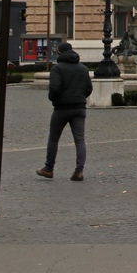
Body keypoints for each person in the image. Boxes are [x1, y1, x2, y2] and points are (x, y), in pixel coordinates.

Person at [37, 42, 93, 182]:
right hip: (79, 108)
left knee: (54, 138)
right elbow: (89, 88)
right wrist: (79, 98)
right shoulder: (83, 68)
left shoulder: (57, 69)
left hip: (61, 109)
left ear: (60, 53)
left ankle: (49, 168)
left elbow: (55, 89)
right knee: (80, 140)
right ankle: (79, 171)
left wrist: (53, 98)